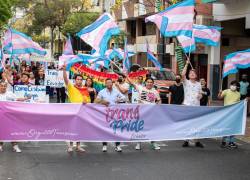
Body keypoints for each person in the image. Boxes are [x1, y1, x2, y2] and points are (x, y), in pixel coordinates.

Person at [62, 65, 91, 153]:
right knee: (71, 128)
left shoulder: (85, 89)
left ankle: (78, 146)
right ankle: (70, 146)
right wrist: (64, 70)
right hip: (72, 112)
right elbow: (65, 79)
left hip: (82, 112)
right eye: (77, 79)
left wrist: (86, 101)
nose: (79, 81)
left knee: (79, 128)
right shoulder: (71, 87)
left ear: (82, 81)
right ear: (75, 80)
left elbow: (88, 100)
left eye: (80, 79)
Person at [128, 77, 161, 150]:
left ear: (153, 83)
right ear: (145, 82)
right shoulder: (141, 88)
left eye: (151, 82)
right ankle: (138, 143)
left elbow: (158, 101)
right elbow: (132, 83)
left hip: (151, 113)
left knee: (152, 128)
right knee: (141, 127)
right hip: (141, 112)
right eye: (148, 82)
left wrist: (157, 105)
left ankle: (153, 143)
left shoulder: (155, 91)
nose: (149, 83)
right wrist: (125, 74)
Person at [94, 78, 126, 152]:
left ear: (112, 83)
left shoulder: (116, 91)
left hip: (115, 113)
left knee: (116, 129)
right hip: (105, 113)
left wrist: (119, 100)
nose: (109, 84)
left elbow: (124, 98)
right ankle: (104, 145)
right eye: (107, 83)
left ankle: (117, 145)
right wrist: (102, 101)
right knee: (104, 129)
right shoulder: (102, 92)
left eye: (110, 82)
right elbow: (96, 100)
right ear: (105, 84)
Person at [0, 80, 31, 153]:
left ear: (6, 87)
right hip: (0, 116)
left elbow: (17, 99)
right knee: (1, 131)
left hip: (9, 116)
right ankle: (0, 146)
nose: (3, 87)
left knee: (12, 131)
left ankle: (15, 146)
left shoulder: (10, 94)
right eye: (1, 86)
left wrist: (26, 98)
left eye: (4, 86)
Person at [181, 61, 204, 148]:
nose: (192, 74)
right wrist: (186, 64)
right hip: (187, 105)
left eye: (193, 73)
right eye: (190, 73)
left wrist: (200, 95)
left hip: (196, 106)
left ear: (196, 75)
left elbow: (200, 94)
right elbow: (182, 74)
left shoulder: (198, 84)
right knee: (188, 123)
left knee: (197, 124)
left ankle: (197, 141)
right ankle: (186, 140)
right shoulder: (186, 82)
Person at [218, 80, 241, 148]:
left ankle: (231, 142)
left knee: (233, 127)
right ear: (230, 85)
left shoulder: (238, 94)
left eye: (235, 85)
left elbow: (239, 103)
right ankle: (224, 141)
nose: (233, 86)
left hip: (234, 113)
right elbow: (219, 98)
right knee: (226, 126)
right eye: (232, 85)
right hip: (226, 112)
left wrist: (244, 101)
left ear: (237, 87)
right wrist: (219, 93)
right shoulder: (226, 91)